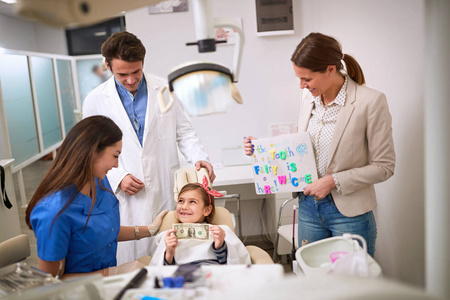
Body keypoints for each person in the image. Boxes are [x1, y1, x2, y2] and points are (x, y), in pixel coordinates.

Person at [244, 32, 395, 257]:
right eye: (299, 78)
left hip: (349, 212)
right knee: (313, 283)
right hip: (308, 206)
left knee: (352, 286)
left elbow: (384, 167)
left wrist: (332, 181)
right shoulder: (309, 98)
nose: (302, 86)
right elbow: (303, 149)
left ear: (330, 70)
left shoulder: (370, 102)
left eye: (307, 79)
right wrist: (265, 149)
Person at [82, 31, 215, 265]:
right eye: (123, 74)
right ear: (107, 65)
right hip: (127, 197)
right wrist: (117, 176)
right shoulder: (95, 99)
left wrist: (199, 158)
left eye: (136, 72)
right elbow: (90, 150)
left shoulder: (165, 90)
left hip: (164, 186)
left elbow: (184, 131)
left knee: (171, 259)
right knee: (133, 265)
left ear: (143, 62)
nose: (131, 80)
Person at [25, 116, 167, 279]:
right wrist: (108, 274)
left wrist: (148, 230)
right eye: (115, 155)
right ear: (93, 152)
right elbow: (50, 282)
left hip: (105, 285)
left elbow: (103, 229)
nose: (116, 165)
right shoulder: (54, 212)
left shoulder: (99, 181)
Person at [150, 178, 250, 266]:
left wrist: (220, 246)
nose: (184, 207)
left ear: (207, 210)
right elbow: (162, 272)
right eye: (181, 201)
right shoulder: (168, 237)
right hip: (184, 278)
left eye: (192, 202)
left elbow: (234, 265)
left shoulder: (221, 232)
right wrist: (169, 253)